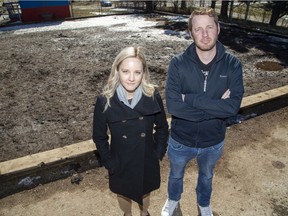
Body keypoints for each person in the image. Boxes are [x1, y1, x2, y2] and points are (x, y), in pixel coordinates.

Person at [161, 7, 244, 216]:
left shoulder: (233, 65)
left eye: (209, 27)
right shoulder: (178, 64)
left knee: (207, 176)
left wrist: (188, 99)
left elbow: (232, 107)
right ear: (191, 32)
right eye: (198, 29)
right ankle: (173, 199)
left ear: (218, 28)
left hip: (213, 141)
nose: (204, 34)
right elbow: (173, 106)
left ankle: (203, 203)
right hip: (181, 139)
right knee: (175, 175)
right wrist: (216, 107)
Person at [92, 46, 169, 216]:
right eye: (126, 71)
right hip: (120, 161)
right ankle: (127, 214)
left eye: (137, 72)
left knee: (146, 191)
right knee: (123, 193)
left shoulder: (152, 95)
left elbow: (162, 127)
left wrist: (157, 153)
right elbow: (99, 136)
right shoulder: (105, 100)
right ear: (117, 70)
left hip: (146, 159)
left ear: (144, 73)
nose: (132, 78)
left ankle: (144, 213)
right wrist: (109, 162)